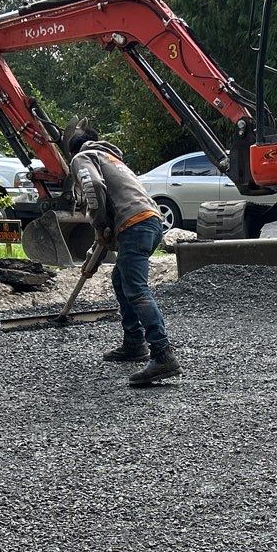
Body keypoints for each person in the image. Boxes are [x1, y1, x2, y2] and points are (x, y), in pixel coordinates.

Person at [65, 122, 180, 387]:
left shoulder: (83, 157)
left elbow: (92, 185)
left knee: (136, 290)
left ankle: (162, 354)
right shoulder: (112, 158)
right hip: (151, 222)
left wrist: (100, 222)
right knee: (121, 280)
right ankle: (134, 342)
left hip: (134, 225)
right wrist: (101, 236)